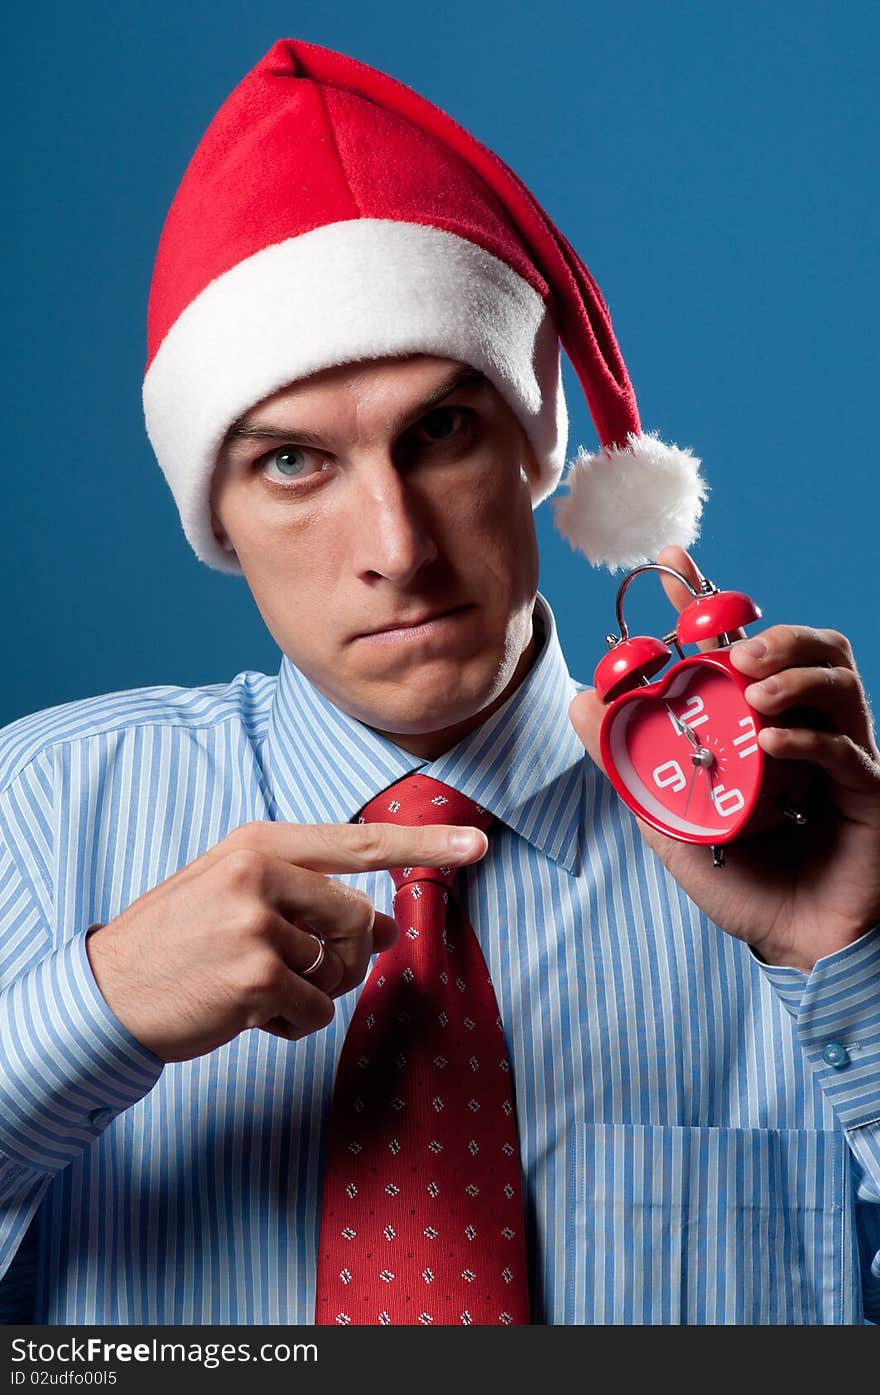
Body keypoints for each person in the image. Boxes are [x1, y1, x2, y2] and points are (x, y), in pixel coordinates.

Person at [1, 36, 878, 1327]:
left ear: (536, 454)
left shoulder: (796, 834)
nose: (397, 549)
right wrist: (89, 1014)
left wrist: (856, 962)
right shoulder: (38, 815)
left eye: (442, 432)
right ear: (218, 519)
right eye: (294, 465)